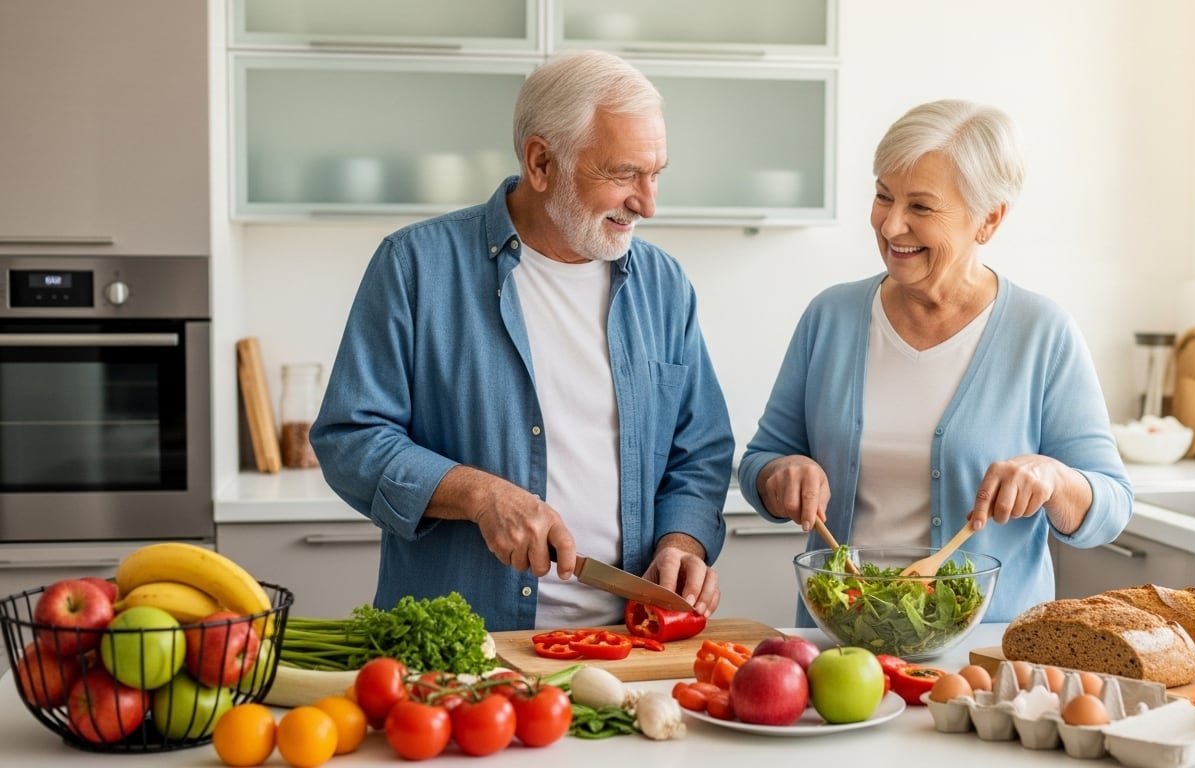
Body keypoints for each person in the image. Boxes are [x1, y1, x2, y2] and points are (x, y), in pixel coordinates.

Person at [310, 50, 734, 631]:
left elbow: (699, 452)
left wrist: (682, 541)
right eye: (622, 174)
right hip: (465, 642)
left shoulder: (664, 285)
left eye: (655, 173)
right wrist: (478, 495)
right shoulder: (414, 266)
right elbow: (349, 438)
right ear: (541, 162)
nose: (648, 202)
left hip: (625, 648)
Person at [738, 99, 1132, 623]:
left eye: (921, 208)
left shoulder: (1041, 332)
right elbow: (762, 460)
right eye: (883, 196)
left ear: (988, 220)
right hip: (842, 644)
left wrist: (1053, 479)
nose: (892, 225)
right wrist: (780, 473)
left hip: (988, 656)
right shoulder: (830, 317)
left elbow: (1112, 506)